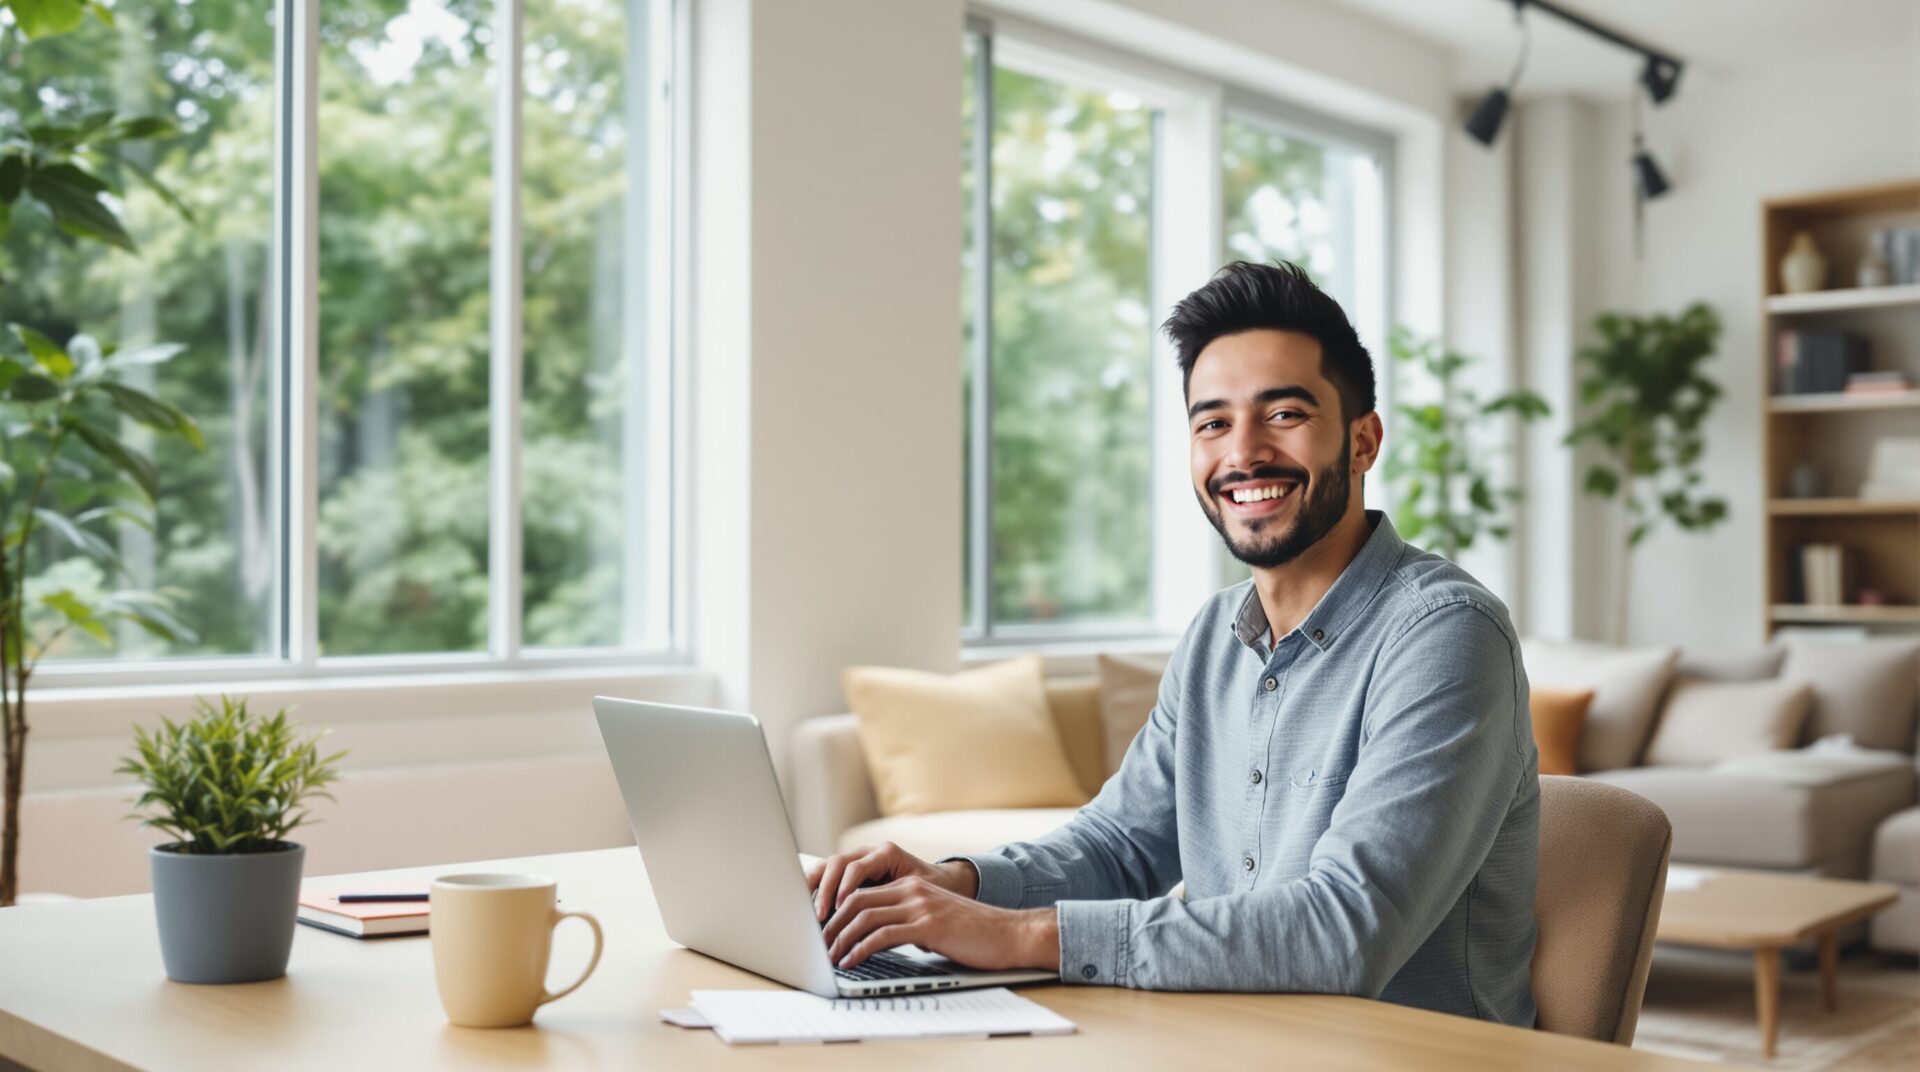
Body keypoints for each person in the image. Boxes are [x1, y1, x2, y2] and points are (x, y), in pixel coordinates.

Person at [807, 261, 1539, 1026]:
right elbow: (1121, 847)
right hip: (1231, 1038)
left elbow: (1346, 931)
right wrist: (958, 885)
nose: (1243, 453)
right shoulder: (1214, 639)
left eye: (1284, 414)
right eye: (1212, 422)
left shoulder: (1447, 633)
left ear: (1363, 441)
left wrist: (1020, 935)